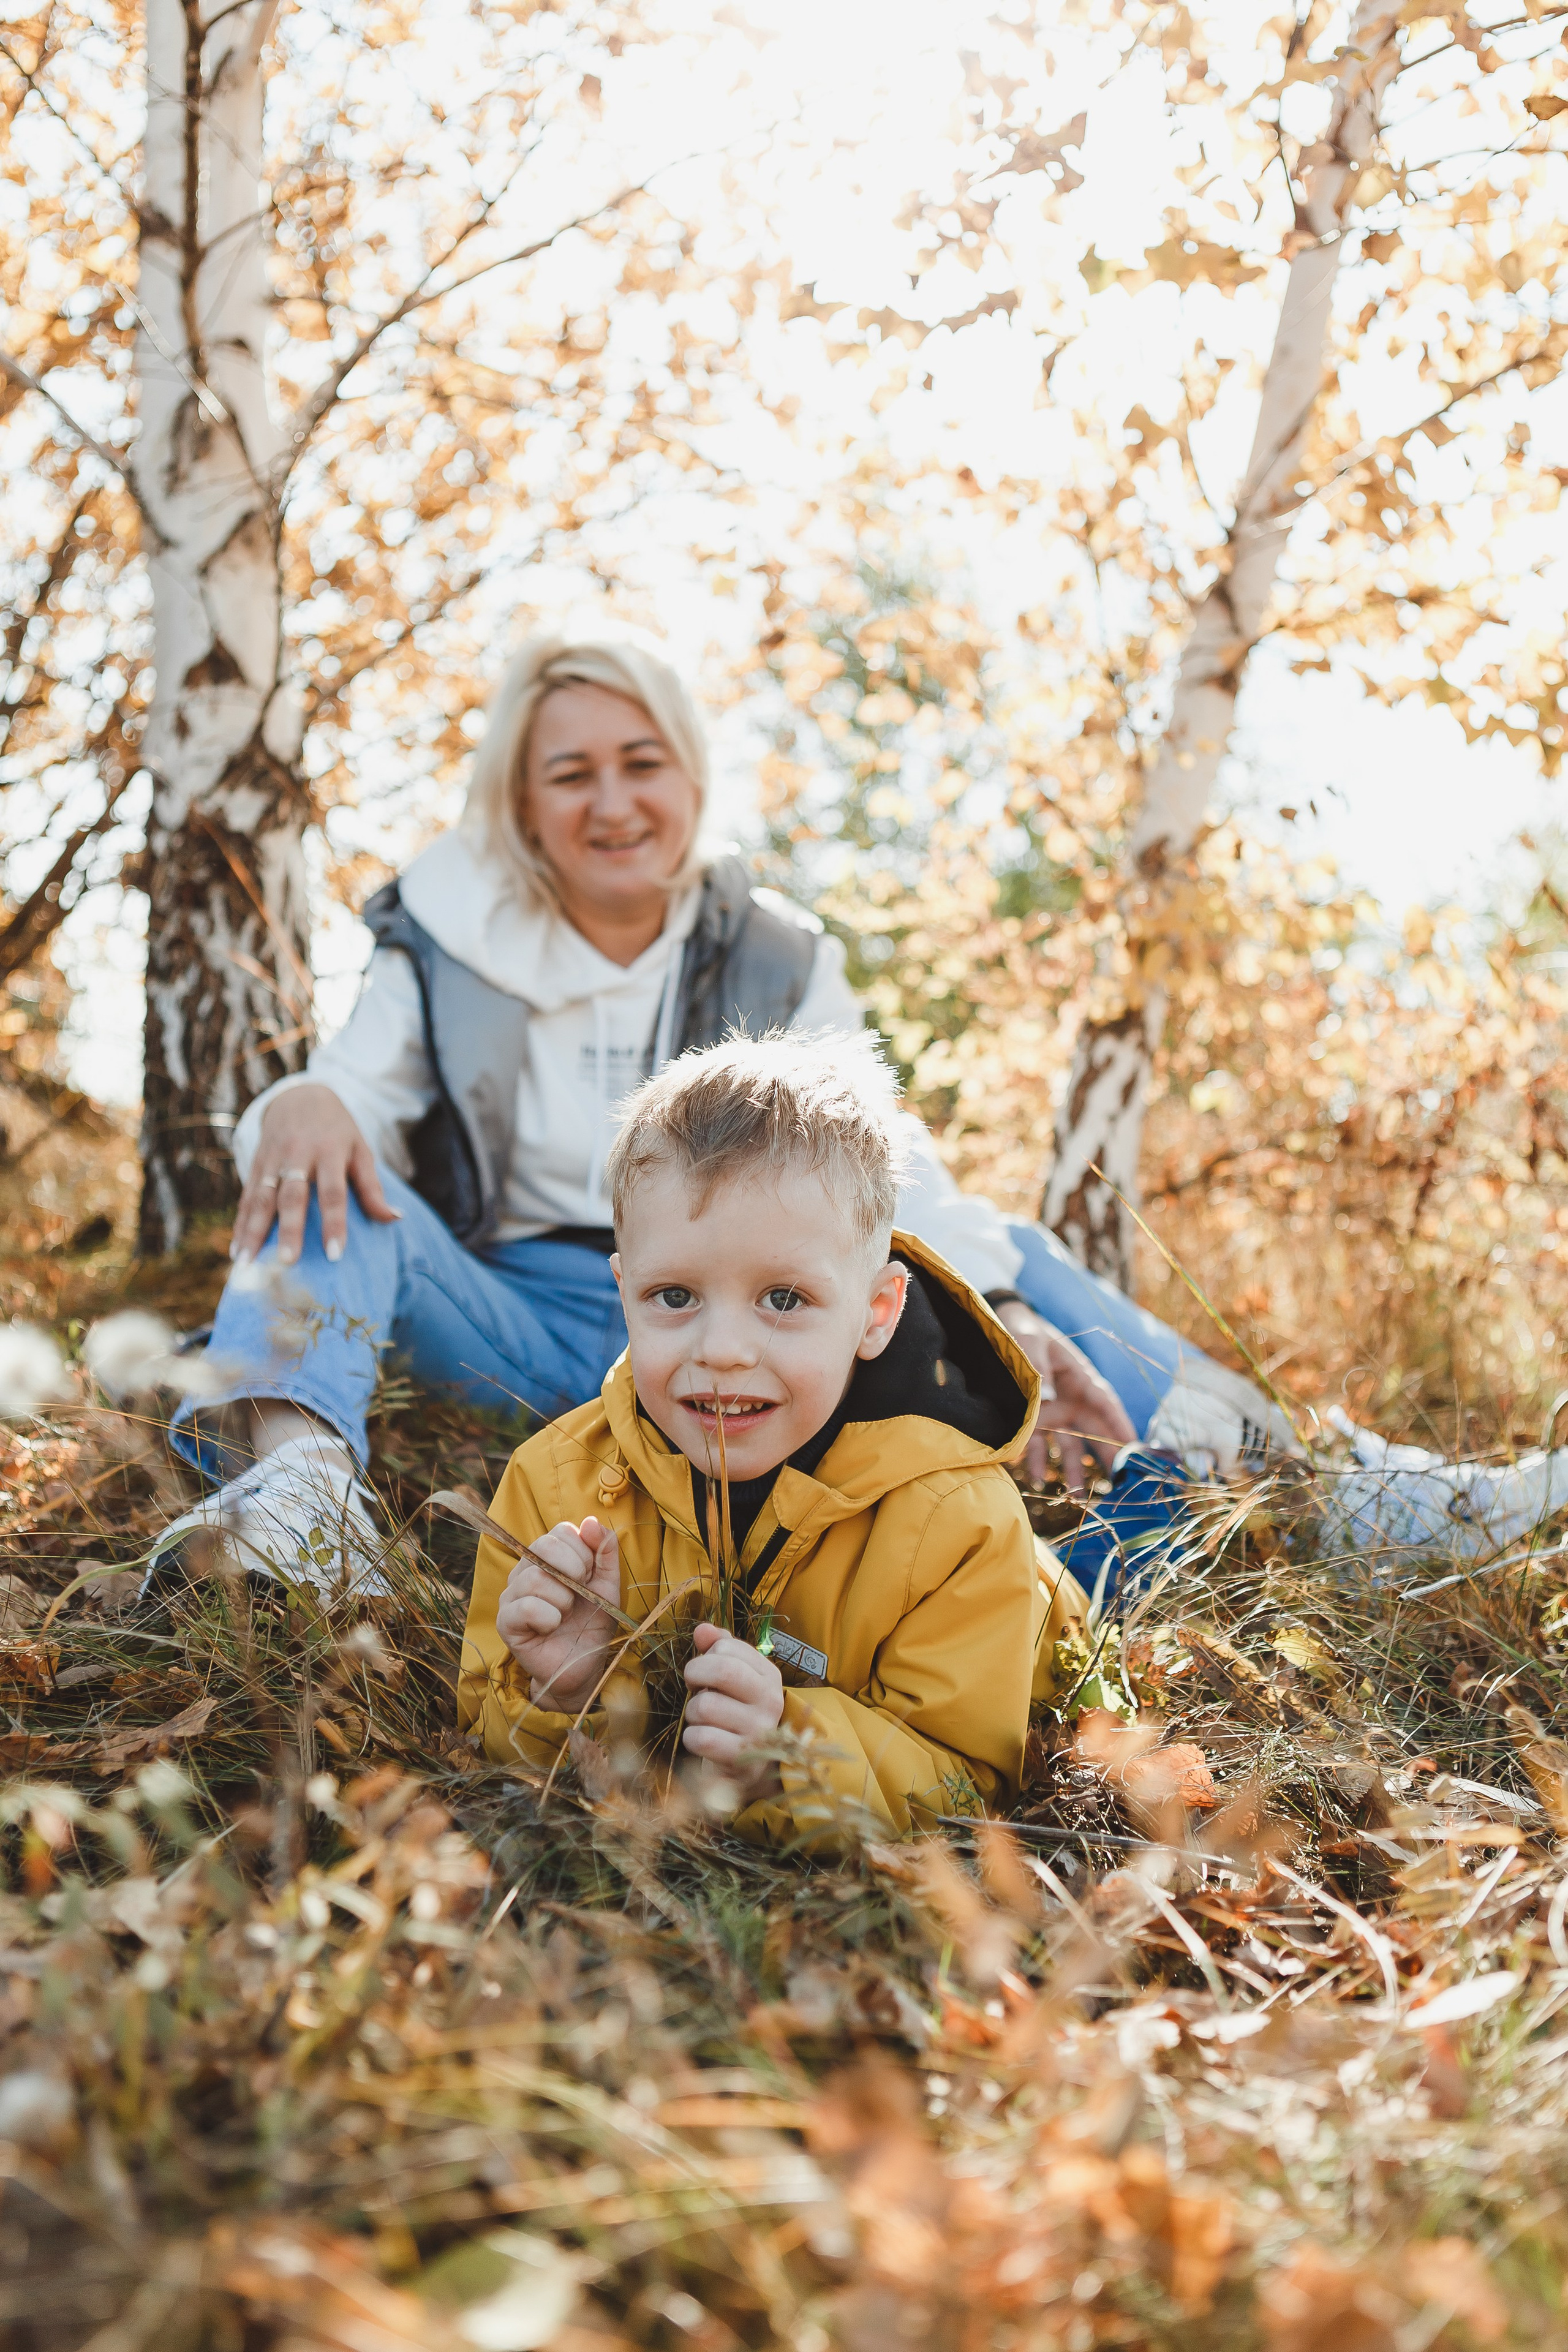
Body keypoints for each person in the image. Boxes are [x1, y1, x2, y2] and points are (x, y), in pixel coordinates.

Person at [153, 622, 1278, 1593]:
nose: (612, 803)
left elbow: (888, 1160)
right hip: (515, 1320)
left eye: (642, 763)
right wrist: (298, 1099)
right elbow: (347, 1093)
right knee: (320, 1155)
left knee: (1004, 1252)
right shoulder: (444, 932)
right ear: (524, 800)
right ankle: (299, 1495)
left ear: (691, 777)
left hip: (738, 1327)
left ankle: (1277, 1454)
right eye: (570, 773)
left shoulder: (775, 956)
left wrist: (990, 1301)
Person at [461, 1033, 1085, 1845]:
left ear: (876, 1312)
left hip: (1035, 1618)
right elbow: (483, 1721)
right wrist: (565, 1695)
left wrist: (792, 1757)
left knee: (1117, 1556)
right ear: (623, 1290)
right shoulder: (555, 1488)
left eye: (784, 1300)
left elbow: (968, 1774)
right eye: (674, 1295)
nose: (723, 1348)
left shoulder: (963, 1525)